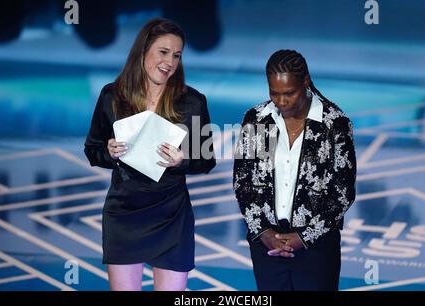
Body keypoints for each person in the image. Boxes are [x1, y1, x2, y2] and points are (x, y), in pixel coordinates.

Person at [84, 18, 215, 291]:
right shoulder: (112, 96)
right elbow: (92, 149)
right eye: (163, 52)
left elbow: (207, 160)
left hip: (172, 215)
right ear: (143, 51)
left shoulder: (192, 102)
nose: (170, 61)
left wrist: (183, 160)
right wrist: (108, 152)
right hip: (124, 213)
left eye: (177, 55)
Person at [233, 50, 356, 290]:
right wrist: (263, 232)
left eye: (289, 93)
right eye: (274, 93)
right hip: (267, 245)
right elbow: (243, 182)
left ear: (306, 82)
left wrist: (304, 237)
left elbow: (342, 194)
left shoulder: (334, 124)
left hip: (317, 247)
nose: (281, 101)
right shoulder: (258, 119)